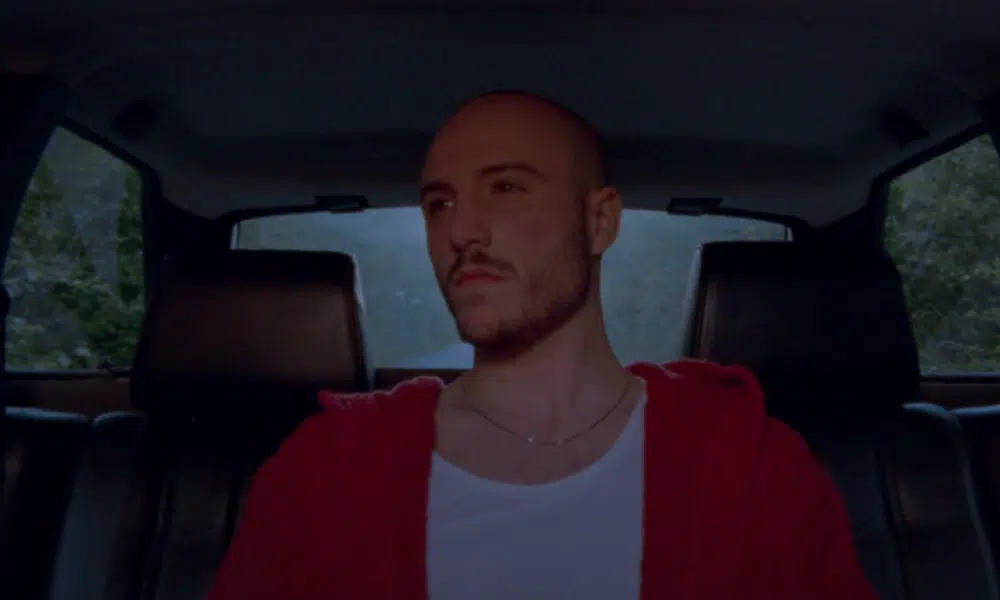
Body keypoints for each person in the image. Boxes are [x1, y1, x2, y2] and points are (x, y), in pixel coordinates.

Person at [206, 91, 877, 600]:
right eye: (439, 204)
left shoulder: (755, 470)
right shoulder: (324, 472)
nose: (462, 230)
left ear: (599, 221)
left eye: (505, 188)